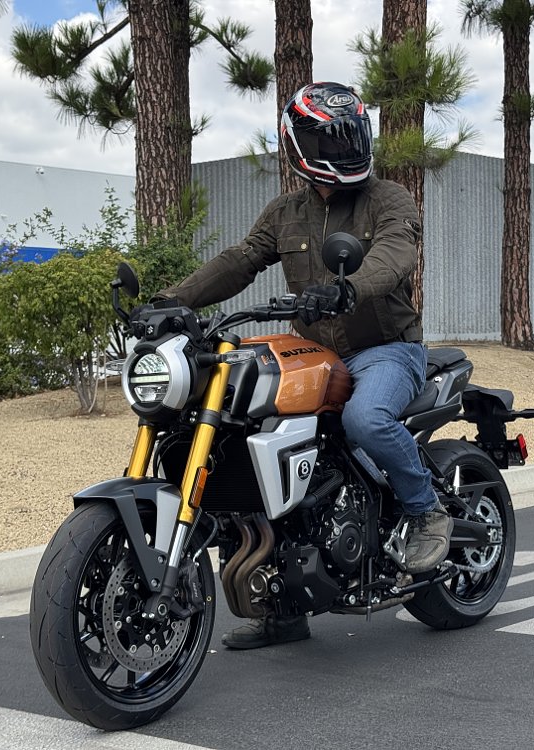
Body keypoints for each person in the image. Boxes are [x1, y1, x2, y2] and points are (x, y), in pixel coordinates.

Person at [154, 81, 453, 649]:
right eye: (328, 139)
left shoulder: (388, 199)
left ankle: (426, 509)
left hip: (386, 349)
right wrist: (172, 302)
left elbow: (394, 254)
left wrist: (348, 288)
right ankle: (281, 608)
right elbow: (240, 261)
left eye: (348, 136)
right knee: (241, 440)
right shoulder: (285, 212)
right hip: (314, 354)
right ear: (297, 143)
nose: (342, 149)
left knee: (366, 419)